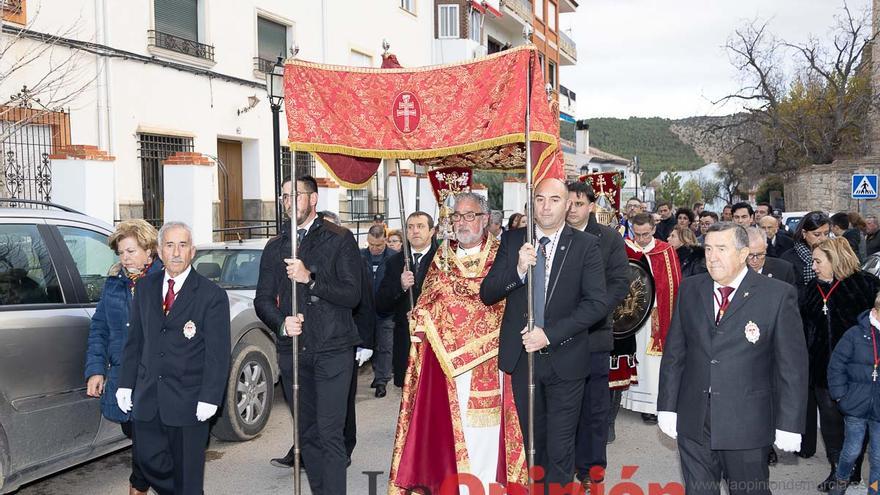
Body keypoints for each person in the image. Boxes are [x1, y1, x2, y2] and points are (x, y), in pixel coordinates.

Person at [388, 193, 528, 493]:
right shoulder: (443, 256)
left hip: (490, 362)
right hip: (448, 367)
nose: (462, 222)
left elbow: (503, 305)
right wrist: (421, 315)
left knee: (487, 435)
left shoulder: (501, 255)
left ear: (485, 219)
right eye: (457, 216)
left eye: (469, 215)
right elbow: (430, 298)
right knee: (451, 431)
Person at [657, 222, 808, 495]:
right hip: (694, 418)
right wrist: (667, 406)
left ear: (743, 254)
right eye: (708, 249)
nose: (712, 257)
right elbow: (675, 352)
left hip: (746, 423)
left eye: (722, 249)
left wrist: (789, 423)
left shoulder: (776, 295)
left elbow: (792, 366)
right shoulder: (691, 289)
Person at [481, 178, 608, 486]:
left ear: (568, 205)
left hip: (566, 357)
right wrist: (519, 270)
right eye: (540, 199)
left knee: (561, 447)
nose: (546, 206)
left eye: (555, 199)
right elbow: (488, 293)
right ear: (531, 204)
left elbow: (596, 304)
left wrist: (549, 334)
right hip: (523, 358)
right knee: (532, 444)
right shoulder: (513, 242)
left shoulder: (585, 245)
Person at [255, 175, 362, 495]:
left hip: (333, 348)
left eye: (296, 195)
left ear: (313, 199)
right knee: (307, 434)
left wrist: (309, 278)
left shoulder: (339, 238)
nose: (289, 202)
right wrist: (281, 323)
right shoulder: (275, 246)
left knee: (330, 433)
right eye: (284, 196)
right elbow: (262, 300)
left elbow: (352, 294)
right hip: (293, 350)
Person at [116, 222, 231, 495]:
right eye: (169, 245)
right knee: (146, 460)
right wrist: (125, 383)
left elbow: (218, 354)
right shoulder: (145, 288)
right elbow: (135, 342)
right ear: (159, 251)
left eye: (182, 246)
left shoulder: (211, 295)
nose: (176, 252)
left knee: (187, 478)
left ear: (192, 251)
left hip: (189, 402)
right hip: (148, 398)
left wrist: (211, 397)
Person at [85, 219, 163, 495]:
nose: (125, 258)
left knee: (147, 440)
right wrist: (96, 370)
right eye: (121, 252)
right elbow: (100, 328)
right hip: (124, 378)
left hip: (158, 379)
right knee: (136, 434)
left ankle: (138, 486)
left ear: (149, 250)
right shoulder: (115, 285)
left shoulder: (167, 282)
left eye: (131, 251)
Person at [566, 181, 630, 491]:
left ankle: (592, 469)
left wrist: (592, 310)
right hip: (556, 338)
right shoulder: (552, 235)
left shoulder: (608, 239)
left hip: (593, 333)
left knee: (594, 407)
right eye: (568, 203)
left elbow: (620, 283)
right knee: (563, 407)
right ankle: (561, 465)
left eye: (578, 204)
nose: (572, 209)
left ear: (592, 206)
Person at [801, 237, 879, 491]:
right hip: (823, 369)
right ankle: (838, 470)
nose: (813, 266)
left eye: (817, 261)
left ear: (835, 260)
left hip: (862, 370)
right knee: (831, 421)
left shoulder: (866, 285)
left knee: (858, 422)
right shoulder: (811, 289)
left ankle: (853, 470)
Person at [621, 213, 682, 424]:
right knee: (633, 355)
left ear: (654, 229)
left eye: (645, 234)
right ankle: (628, 399)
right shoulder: (626, 249)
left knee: (652, 361)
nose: (641, 239)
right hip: (630, 315)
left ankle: (651, 405)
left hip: (656, 314)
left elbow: (673, 285)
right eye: (637, 234)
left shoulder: (665, 251)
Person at [827, 291, 880, 495]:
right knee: (851, 452)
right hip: (855, 406)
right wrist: (841, 396)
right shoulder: (854, 335)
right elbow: (836, 365)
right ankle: (840, 482)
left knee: (877, 458)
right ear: (875, 311)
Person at [376, 211, 437, 388]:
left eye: (420, 226)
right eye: (410, 227)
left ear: (432, 231)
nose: (415, 231)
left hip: (435, 343)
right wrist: (400, 286)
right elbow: (381, 304)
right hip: (405, 343)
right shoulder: (394, 262)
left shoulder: (443, 260)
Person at [360, 225, 396, 398]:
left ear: (385, 241)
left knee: (385, 345)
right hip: (364, 309)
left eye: (378, 245)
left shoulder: (394, 258)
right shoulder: (359, 256)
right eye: (371, 244)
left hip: (386, 310)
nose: (374, 249)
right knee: (369, 343)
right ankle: (377, 372)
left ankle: (382, 380)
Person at [780, 211, 831, 299]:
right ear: (804, 233)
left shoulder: (833, 254)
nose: (823, 239)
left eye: (826, 234)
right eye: (817, 234)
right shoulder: (787, 259)